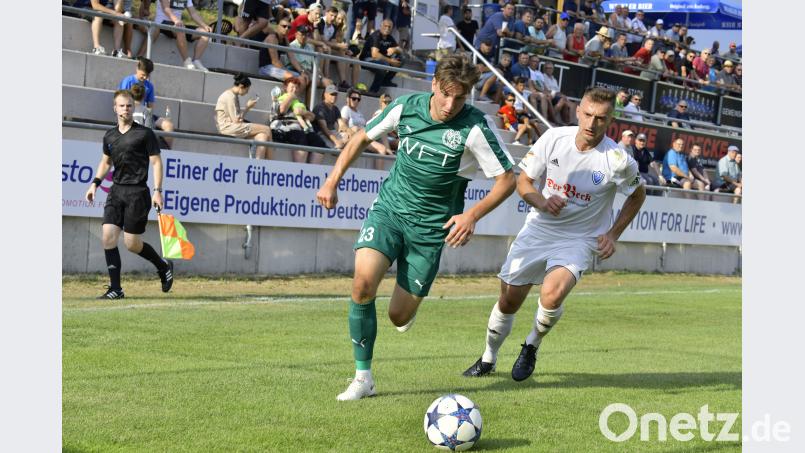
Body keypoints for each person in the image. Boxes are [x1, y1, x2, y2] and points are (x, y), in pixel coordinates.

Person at [316, 55, 517, 401]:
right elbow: (361, 138)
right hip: (390, 211)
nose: (450, 105)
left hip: (430, 230)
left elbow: (507, 180)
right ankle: (363, 378)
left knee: (398, 316)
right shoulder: (405, 108)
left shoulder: (474, 127)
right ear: (434, 85)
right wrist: (332, 181)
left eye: (460, 98)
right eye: (446, 94)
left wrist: (471, 215)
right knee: (362, 285)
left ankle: (407, 305)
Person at [462, 87, 646, 381]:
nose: (592, 123)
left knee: (552, 295)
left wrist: (613, 234)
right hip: (540, 228)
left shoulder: (618, 159)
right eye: (588, 114)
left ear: (611, 120)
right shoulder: (553, 139)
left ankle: (531, 345)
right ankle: (488, 358)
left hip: (580, 238)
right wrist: (542, 202)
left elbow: (638, 195)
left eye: (600, 118)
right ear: (578, 111)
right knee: (508, 300)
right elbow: (524, 182)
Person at [85, 89, 175, 300]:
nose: (125, 109)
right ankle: (116, 289)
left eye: (129, 106)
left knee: (132, 243)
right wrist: (94, 184)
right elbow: (106, 162)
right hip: (116, 191)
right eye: (122, 106)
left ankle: (162, 266)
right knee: (108, 237)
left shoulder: (145, 134)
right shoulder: (109, 135)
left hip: (137, 193)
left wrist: (158, 191)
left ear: (133, 108)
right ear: (115, 108)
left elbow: (156, 163)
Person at [137, 0, 211, 71]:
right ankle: (186, 61)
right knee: (180, 29)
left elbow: (193, 13)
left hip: (177, 25)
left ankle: (196, 60)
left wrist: (204, 25)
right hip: (162, 24)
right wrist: (176, 20)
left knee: (205, 33)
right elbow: (166, 9)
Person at [118, 57, 175, 148]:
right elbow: (120, 102)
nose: (145, 78)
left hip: (144, 113)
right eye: (143, 75)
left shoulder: (149, 86)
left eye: (147, 75)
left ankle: (166, 151)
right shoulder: (127, 82)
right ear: (137, 69)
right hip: (130, 113)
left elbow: (150, 107)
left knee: (169, 125)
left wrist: (148, 118)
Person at [214, 74, 274, 159]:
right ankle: (271, 162)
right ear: (241, 86)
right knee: (267, 129)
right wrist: (247, 107)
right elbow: (236, 121)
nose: (247, 92)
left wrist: (247, 108)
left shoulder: (233, 95)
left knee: (262, 136)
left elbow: (238, 119)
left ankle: (258, 164)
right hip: (228, 128)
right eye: (247, 90)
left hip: (233, 127)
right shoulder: (230, 96)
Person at [273, 77, 328, 164]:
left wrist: (303, 112)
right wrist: (290, 97)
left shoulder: (299, 103)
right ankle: (299, 169)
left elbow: (312, 117)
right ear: (285, 87)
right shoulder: (280, 99)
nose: (294, 90)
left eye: (296, 87)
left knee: (319, 143)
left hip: (300, 129)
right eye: (292, 87)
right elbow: (281, 110)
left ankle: (311, 170)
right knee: (300, 138)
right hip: (284, 128)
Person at [340, 88, 392, 168]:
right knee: (382, 149)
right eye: (354, 98)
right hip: (356, 136)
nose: (356, 101)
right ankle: (379, 174)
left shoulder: (359, 112)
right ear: (348, 99)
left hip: (364, 134)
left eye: (358, 99)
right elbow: (342, 126)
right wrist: (352, 131)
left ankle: (389, 150)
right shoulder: (346, 109)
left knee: (382, 131)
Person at [358, 19, 403, 94]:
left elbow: (401, 50)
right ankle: (373, 91)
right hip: (367, 60)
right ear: (381, 26)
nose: (387, 28)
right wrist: (390, 61)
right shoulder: (376, 35)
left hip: (381, 61)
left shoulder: (390, 38)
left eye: (389, 27)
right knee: (383, 65)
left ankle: (386, 81)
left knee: (401, 58)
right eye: (385, 26)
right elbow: (375, 55)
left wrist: (395, 49)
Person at [314, 84, 351, 150]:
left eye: (336, 94)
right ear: (325, 94)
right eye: (332, 94)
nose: (334, 96)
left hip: (334, 133)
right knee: (338, 149)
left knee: (352, 141)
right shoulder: (319, 108)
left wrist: (349, 133)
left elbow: (342, 124)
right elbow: (324, 129)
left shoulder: (335, 108)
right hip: (321, 134)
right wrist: (336, 141)